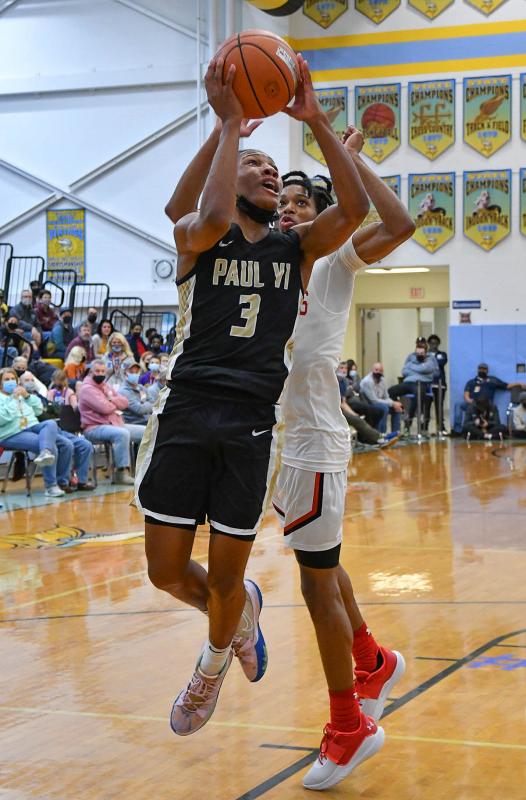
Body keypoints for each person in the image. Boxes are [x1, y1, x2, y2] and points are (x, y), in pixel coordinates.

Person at [137, 54, 369, 742]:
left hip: (250, 424)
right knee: (165, 570)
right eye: (257, 163)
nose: (272, 171)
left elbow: (352, 209)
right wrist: (230, 122)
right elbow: (202, 209)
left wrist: (318, 121)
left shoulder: (295, 249)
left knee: (230, 569)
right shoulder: (196, 239)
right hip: (185, 413)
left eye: (276, 167)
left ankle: (210, 667)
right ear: (225, 171)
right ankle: (239, 615)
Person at [272, 127, 414, 789]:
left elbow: (401, 222)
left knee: (315, 582)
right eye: (283, 200)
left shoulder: (331, 264)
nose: (289, 209)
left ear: (323, 210)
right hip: (279, 442)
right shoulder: (270, 270)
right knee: (318, 569)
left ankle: (349, 726)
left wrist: (350, 157)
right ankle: (372, 660)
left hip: (316, 440)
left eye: (301, 201)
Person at [0, 368, 72, 497]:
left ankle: (62, 482)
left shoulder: (20, 394)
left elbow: (39, 410)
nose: (11, 382)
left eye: (13, 379)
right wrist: (14, 400)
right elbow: (3, 419)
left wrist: (27, 396)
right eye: (6, 379)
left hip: (32, 426)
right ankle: (51, 486)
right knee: (52, 446)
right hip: (11, 434)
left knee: (64, 441)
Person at [78, 360, 134, 485]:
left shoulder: (104, 385)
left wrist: (110, 399)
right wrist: (114, 403)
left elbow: (125, 402)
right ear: (91, 372)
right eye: (97, 371)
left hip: (114, 423)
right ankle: (121, 473)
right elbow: (104, 408)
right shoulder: (87, 389)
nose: (100, 373)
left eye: (103, 371)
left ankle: (146, 469)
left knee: (147, 431)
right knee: (122, 434)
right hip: (93, 428)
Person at [453, 363, 526, 434]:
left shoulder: (492, 380)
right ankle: (458, 431)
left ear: (487, 370)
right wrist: (469, 401)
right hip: (474, 404)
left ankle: (488, 431)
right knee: (458, 405)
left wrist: (519, 383)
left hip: (487, 405)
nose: (482, 370)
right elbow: (466, 395)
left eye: (484, 369)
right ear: (477, 370)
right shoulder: (471, 382)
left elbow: (507, 386)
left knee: (499, 424)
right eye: (480, 369)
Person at [388, 342, 438, 434]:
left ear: (425, 353)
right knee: (390, 391)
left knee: (417, 397)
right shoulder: (411, 360)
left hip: (421, 383)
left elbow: (426, 369)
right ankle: (401, 409)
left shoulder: (430, 360)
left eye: (421, 354)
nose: (419, 355)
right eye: (417, 354)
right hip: (408, 382)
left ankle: (408, 422)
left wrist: (412, 369)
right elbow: (404, 372)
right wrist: (419, 369)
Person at [360, 362, 403, 434]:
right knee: (384, 408)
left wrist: (394, 404)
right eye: (376, 370)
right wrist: (392, 403)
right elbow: (374, 401)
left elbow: (386, 397)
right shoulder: (367, 381)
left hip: (379, 402)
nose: (378, 372)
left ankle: (396, 434)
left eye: (380, 371)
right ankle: (381, 434)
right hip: (369, 404)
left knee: (397, 408)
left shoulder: (383, 380)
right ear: (372, 370)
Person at [119, 358, 153, 425]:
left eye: (136, 372)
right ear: (125, 373)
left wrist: (144, 404)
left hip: (147, 420)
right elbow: (139, 409)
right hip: (134, 423)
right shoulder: (123, 391)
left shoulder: (141, 387)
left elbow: (154, 403)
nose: (134, 374)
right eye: (131, 372)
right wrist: (147, 404)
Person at [427, 334, 448, 434]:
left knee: (439, 405)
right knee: (426, 405)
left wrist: (429, 362)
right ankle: (424, 427)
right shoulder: (425, 354)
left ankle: (441, 427)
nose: (433, 345)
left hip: (440, 383)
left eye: (435, 343)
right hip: (427, 384)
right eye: (431, 343)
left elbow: (441, 363)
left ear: (438, 344)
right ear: (428, 344)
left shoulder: (442, 354)